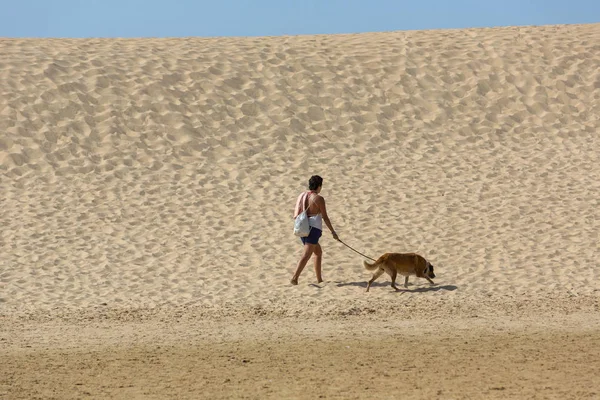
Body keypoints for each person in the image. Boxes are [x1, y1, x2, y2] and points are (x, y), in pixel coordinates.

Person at [291, 175, 339, 285]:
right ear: (319, 186)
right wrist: (333, 232)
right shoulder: (319, 199)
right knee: (307, 254)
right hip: (313, 229)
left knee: (318, 252)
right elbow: (325, 217)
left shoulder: (302, 195)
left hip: (302, 227)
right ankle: (295, 277)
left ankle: (319, 280)